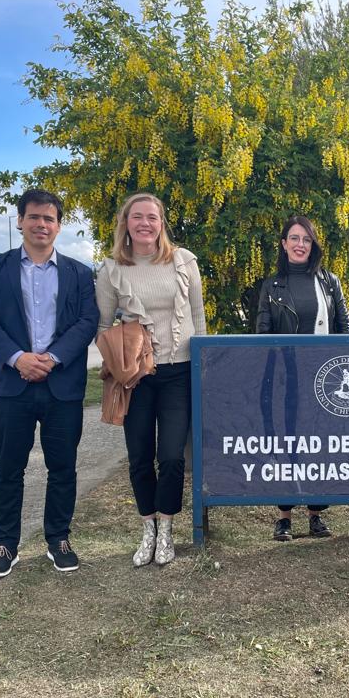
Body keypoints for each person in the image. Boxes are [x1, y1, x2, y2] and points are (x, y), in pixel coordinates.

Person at [0, 189, 98, 579]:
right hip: (12, 385)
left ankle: (58, 539)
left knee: (63, 468)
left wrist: (53, 357)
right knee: (8, 468)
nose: (41, 224)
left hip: (62, 385)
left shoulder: (79, 273)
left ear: (58, 226)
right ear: (20, 222)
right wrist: (18, 358)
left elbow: (87, 322)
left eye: (49, 219)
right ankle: (5, 545)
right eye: (34, 217)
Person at [96, 192, 206, 567]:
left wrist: (203, 365)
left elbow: (198, 317)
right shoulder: (112, 269)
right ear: (125, 223)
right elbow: (103, 326)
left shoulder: (183, 261)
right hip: (136, 376)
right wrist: (118, 360)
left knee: (172, 456)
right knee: (140, 456)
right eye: (137, 216)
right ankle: (148, 528)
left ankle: (167, 528)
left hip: (179, 370)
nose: (145, 223)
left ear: (161, 224)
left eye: (152, 217)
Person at [255, 215, 349, 541]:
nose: (300, 245)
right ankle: (284, 516)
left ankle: (316, 513)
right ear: (284, 244)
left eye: (306, 239)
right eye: (294, 238)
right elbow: (262, 335)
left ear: (313, 245)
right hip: (285, 375)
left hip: (324, 376)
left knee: (319, 442)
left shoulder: (330, 282)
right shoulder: (271, 286)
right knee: (287, 440)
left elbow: (345, 328)